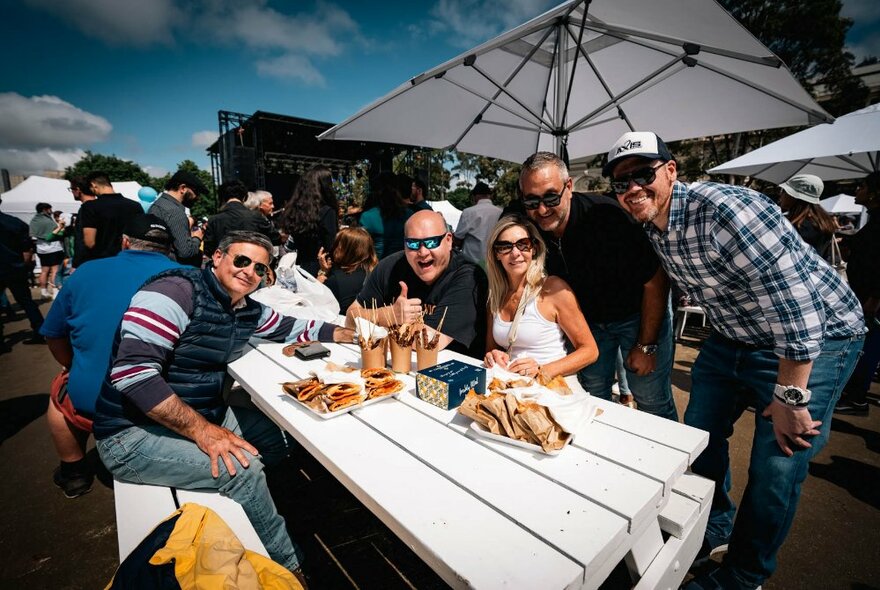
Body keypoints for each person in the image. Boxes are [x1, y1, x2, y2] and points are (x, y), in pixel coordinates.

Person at [605, 130, 865, 590]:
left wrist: (790, 395)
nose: (631, 189)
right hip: (734, 337)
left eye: (643, 174)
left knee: (776, 464)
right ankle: (711, 527)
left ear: (670, 170)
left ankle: (744, 575)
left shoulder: (725, 209)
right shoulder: (649, 223)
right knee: (700, 439)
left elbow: (798, 309)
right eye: (620, 182)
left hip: (820, 338)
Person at [93, 230, 355, 580]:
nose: (249, 272)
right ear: (217, 257)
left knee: (276, 436)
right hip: (130, 434)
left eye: (260, 268)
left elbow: (288, 326)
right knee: (243, 470)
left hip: (197, 414)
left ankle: (263, 512)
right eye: (241, 260)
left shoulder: (243, 307)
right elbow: (133, 375)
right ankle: (292, 567)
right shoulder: (173, 292)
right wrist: (204, 432)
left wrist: (339, 332)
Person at [519, 152, 678, 421]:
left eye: (550, 197)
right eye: (532, 201)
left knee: (651, 400)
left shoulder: (607, 217)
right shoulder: (531, 226)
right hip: (589, 324)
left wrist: (646, 346)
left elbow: (656, 280)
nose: (542, 210)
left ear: (569, 187)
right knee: (591, 397)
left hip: (637, 316)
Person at [40, 214, 179, 498]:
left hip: (95, 404)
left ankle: (74, 472)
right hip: (170, 404)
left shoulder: (86, 272)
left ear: (125, 241)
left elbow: (53, 334)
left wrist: (71, 366)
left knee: (59, 395)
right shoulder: (186, 275)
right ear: (168, 248)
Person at [346, 210, 488, 356]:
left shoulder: (469, 276)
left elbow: (428, 341)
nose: (423, 252)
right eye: (413, 244)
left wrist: (378, 325)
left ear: (449, 240)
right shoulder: (389, 267)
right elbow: (350, 319)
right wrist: (388, 314)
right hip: (389, 367)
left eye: (431, 242)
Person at [483, 215, 597, 380]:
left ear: (534, 248)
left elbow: (590, 350)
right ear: (496, 254)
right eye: (505, 247)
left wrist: (541, 370)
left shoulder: (553, 288)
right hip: (512, 386)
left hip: (552, 385)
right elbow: (491, 348)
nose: (515, 253)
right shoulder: (495, 294)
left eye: (523, 244)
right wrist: (492, 356)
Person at [836, 171, 880, 415]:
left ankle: (857, 397)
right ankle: (854, 394)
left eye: (862, 186)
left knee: (866, 347)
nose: (858, 190)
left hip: (870, 300)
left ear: (874, 193)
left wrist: (874, 298)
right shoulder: (874, 220)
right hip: (864, 295)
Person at [279, 165, 339, 277]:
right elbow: (331, 244)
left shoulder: (296, 210)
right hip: (322, 267)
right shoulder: (327, 211)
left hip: (300, 265)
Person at [1, 197, 44, 348]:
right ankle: (40, 330)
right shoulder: (14, 223)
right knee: (26, 301)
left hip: (11, 267)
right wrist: (23, 266)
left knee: (26, 301)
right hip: (14, 267)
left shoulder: (14, 223)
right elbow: (27, 249)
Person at [78, 171, 144, 263]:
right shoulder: (135, 206)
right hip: (129, 260)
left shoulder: (90, 207)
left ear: (93, 185)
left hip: (101, 261)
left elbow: (90, 242)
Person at [148, 169, 210, 267]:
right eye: (196, 192)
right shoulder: (175, 212)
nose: (197, 198)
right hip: (174, 269)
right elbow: (186, 252)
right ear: (183, 188)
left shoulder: (157, 204)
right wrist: (197, 237)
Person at [203, 180, 279, 256]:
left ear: (222, 198)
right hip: (252, 262)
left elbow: (208, 249)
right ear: (244, 197)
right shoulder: (256, 216)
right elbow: (276, 238)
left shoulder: (214, 220)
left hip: (225, 264)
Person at [316, 226, 378, 311]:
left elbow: (315, 301)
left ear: (345, 250)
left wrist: (322, 272)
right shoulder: (376, 273)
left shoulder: (335, 280)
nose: (334, 248)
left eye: (337, 245)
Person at [777, 174, 837, 260]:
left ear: (793, 196)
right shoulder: (824, 221)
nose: (780, 194)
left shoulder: (793, 225)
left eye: (784, 191)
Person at [359, 172, 412, 259]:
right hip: (405, 267)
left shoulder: (367, 217)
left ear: (375, 192)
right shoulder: (410, 216)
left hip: (376, 269)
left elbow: (361, 252)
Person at [453, 181, 503, 266]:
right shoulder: (500, 211)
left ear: (475, 196)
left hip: (472, 264)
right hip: (495, 263)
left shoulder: (468, 212)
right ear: (489, 196)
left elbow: (457, 238)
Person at [28, 202, 66, 299]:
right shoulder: (48, 221)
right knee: (55, 270)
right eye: (50, 209)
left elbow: (32, 234)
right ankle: (55, 291)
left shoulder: (34, 220)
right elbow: (56, 233)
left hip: (41, 249)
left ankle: (43, 292)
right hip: (53, 248)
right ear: (45, 209)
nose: (51, 211)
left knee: (44, 270)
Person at [67, 176, 97, 269]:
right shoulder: (102, 206)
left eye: (71, 189)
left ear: (78, 190)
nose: (71, 192)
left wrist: (76, 263)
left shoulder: (86, 209)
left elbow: (83, 240)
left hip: (87, 262)